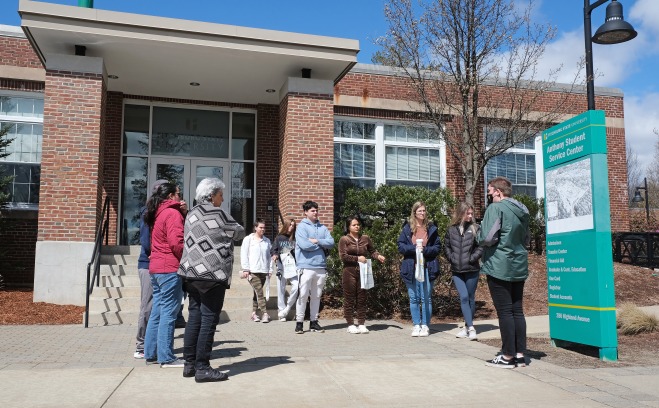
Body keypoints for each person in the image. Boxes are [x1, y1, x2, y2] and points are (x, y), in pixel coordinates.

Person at [179, 177, 245, 382]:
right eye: (220, 195)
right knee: (209, 320)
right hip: (211, 275)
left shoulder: (191, 213)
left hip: (190, 274)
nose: (222, 199)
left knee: (194, 318)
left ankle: (189, 364)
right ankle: (203, 367)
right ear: (212, 195)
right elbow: (240, 232)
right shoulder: (219, 214)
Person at [477, 176, 530, 369]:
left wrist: (478, 234)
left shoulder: (495, 208)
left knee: (505, 311)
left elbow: (487, 237)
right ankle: (519, 355)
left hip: (500, 265)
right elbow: (526, 239)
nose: (489, 196)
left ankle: (507, 356)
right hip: (518, 264)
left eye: (490, 192)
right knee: (517, 310)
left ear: (498, 192)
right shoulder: (523, 211)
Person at [143, 181, 186, 368]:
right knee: (169, 314)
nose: (180, 196)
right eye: (178, 193)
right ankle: (166, 357)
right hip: (169, 268)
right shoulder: (172, 213)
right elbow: (176, 243)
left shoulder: (159, 213)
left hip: (157, 268)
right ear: (170, 196)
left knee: (157, 312)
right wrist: (188, 257)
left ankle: (151, 353)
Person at [133, 179, 168, 359]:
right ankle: (140, 345)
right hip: (148, 264)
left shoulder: (164, 213)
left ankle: (152, 344)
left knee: (158, 307)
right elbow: (146, 242)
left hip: (159, 264)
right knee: (147, 307)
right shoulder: (148, 213)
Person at [397, 201, 442, 337]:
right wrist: (414, 248)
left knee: (426, 298)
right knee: (414, 298)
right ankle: (416, 324)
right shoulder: (407, 228)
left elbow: (437, 247)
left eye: (424, 211)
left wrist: (425, 250)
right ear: (414, 212)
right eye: (420, 211)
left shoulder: (431, 228)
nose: (422, 213)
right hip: (411, 267)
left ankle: (425, 325)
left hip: (427, 267)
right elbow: (401, 246)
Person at [339, 216, 385, 334]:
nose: (357, 226)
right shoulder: (344, 239)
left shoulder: (365, 238)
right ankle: (350, 324)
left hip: (364, 271)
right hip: (349, 271)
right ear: (348, 227)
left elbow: (372, 251)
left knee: (362, 298)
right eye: (354, 225)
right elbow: (343, 256)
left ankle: (361, 323)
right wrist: (357, 258)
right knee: (349, 298)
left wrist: (378, 256)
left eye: (358, 224)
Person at [444, 202, 483, 341]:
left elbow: (481, 247)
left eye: (472, 213)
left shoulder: (476, 228)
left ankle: (467, 327)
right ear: (461, 213)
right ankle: (471, 328)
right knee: (464, 297)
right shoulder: (451, 229)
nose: (471, 216)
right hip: (457, 270)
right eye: (468, 213)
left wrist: (472, 258)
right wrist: (452, 258)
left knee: (471, 298)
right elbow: (446, 246)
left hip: (472, 269)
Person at [294, 200, 335, 334]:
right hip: (305, 267)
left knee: (317, 295)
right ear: (305, 212)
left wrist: (317, 241)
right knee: (303, 295)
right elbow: (304, 245)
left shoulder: (322, 227)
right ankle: (299, 323)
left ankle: (314, 322)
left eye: (316, 210)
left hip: (320, 266)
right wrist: (321, 245)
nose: (315, 212)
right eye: (312, 210)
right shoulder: (301, 227)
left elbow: (331, 242)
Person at [241, 219, 272, 323]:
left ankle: (254, 313)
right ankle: (265, 313)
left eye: (264, 227)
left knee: (256, 293)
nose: (262, 229)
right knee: (259, 292)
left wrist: (270, 270)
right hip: (252, 271)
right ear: (255, 228)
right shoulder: (248, 239)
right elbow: (244, 254)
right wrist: (246, 269)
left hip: (263, 270)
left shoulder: (267, 241)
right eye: (260, 227)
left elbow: (270, 257)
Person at [271, 218, 299, 322]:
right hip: (282, 265)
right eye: (290, 225)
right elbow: (274, 249)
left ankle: (287, 308)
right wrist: (274, 255)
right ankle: (281, 311)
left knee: (296, 286)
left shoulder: (295, 238)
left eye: (293, 225)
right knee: (281, 288)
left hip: (293, 267)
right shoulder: (279, 237)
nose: (291, 227)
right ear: (286, 225)